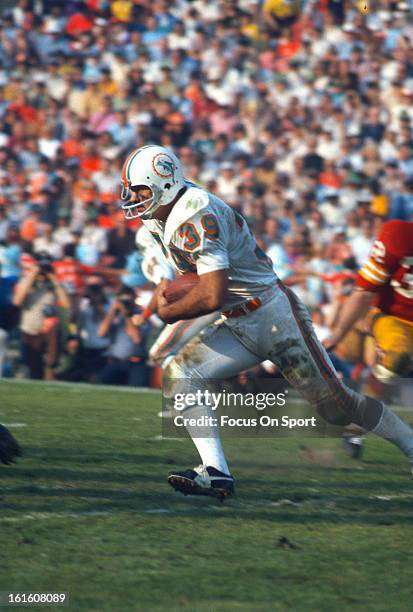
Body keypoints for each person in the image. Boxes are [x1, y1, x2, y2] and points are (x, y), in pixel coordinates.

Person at [120, 145, 413, 500]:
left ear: (164, 184)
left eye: (140, 189)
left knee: (337, 408)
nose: (134, 198)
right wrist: (167, 289)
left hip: (275, 317)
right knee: (182, 373)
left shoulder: (195, 212)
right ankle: (216, 473)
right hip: (239, 320)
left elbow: (212, 293)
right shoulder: (162, 213)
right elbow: (197, 280)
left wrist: (168, 310)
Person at [325, 220, 413, 456]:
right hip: (395, 318)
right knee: (397, 359)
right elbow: (364, 292)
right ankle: (357, 423)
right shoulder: (399, 235)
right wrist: (338, 334)